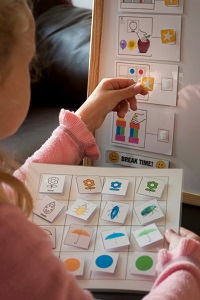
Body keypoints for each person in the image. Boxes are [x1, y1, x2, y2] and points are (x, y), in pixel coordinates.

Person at [0, 1, 200, 300]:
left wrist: (78, 127)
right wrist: (185, 268)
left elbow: (15, 191)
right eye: (29, 63)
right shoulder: (8, 236)